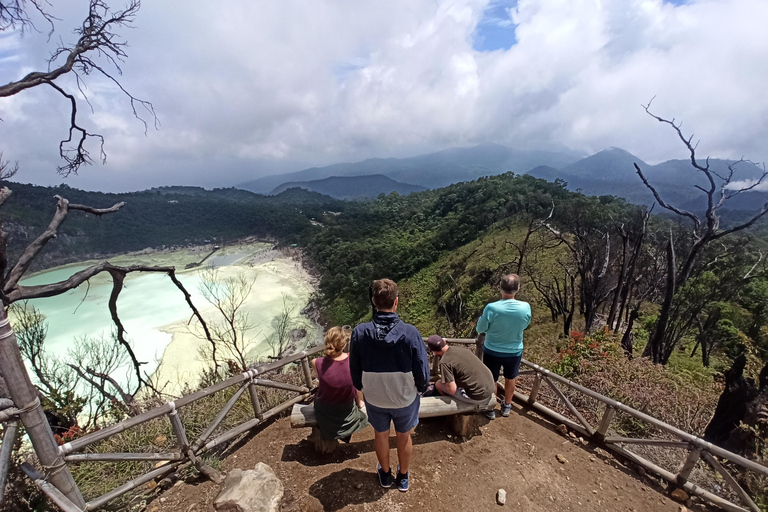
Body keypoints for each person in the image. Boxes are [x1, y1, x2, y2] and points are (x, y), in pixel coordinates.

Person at [350, 278, 430, 492]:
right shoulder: (410, 333)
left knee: (381, 435)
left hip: (375, 397)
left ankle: (385, 474)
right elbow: (422, 369)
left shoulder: (359, 332)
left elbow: (355, 369)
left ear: (374, 301)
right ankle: (402, 477)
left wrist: (363, 388)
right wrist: (420, 389)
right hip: (404, 397)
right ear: (396, 302)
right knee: (404, 437)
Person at [476, 274, 531, 419]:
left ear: (500, 288)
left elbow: (480, 328)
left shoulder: (492, 308)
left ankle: (490, 407)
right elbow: (525, 325)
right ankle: (507, 405)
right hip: (514, 351)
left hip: (492, 350)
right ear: (518, 288)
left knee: (491, 379)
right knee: (510, 378)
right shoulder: (525, 307)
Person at [312, 326, 369, 443]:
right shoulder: (353, 360)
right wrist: (360, 402)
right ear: (344, 344)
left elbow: (323, 380)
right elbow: (357, 386)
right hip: (347, 410)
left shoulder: (316, 362)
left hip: (325, 411)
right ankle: (345, 432)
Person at [426, 335, 495, 410]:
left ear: (434, 352)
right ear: (444, 342)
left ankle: (447, 407)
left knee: (439, 384)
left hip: (477, 396)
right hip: (490, 387)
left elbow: (452, 390)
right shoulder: (461, 350)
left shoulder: (445, 362)